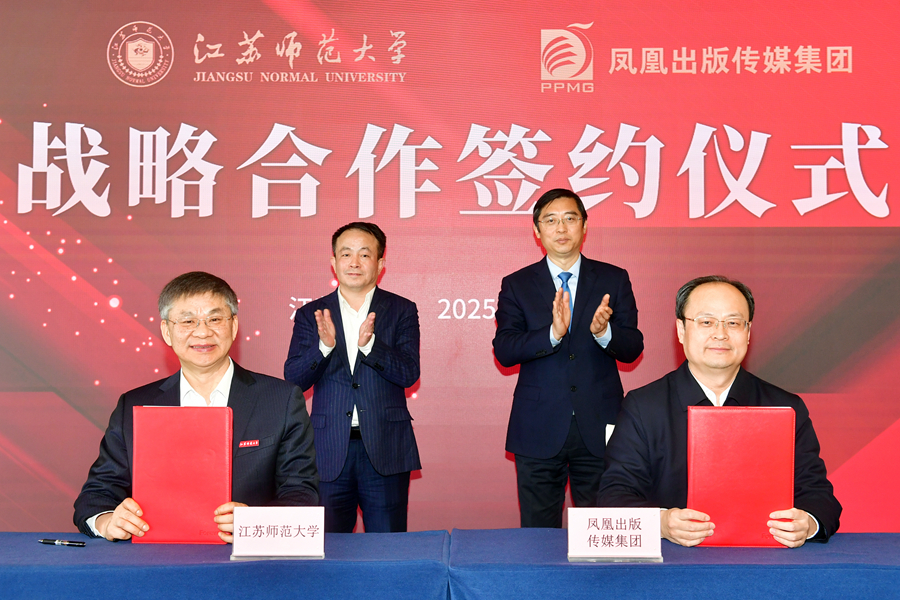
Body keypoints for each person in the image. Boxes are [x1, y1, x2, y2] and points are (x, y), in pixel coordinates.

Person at [73, 272, 319, 543]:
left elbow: (302, 494)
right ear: (167, 331)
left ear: (234, 326)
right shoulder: (133, 406)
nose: (202, 332)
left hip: (247, 560)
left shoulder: (281, 400)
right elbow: (96, 495)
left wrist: (253, 523)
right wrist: (107, 521)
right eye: (188, 321)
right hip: (156, 558)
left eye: (215, 319)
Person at [598, 275, 842, 547]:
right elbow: (614, 495)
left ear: (748, 332)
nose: (721, 334)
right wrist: (662, 523)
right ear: (681, 330)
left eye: (733, 323)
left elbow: (819, 496)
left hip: (766, 560)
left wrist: (807, 523)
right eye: (706, 322)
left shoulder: (785, 407)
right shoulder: (643, 407)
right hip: (674, 562)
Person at [493, 188, 644, 528]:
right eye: (550, 220)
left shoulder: (613, 278)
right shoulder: (516, 284)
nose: (561, 228)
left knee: (601, 531)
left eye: (570, 219)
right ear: (537, 231)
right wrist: (552, 333)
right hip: (538, 426)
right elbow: (505, 349)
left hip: (600, 423)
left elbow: (633, 346)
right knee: (538, 533)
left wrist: (604, 332)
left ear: (584, 226)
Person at [285, 222, 420, 533]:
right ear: (333, 262)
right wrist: (324, 347)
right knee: (329, 547)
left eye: (364, 254)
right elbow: (294, 379)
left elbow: (409, 373)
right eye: (346, 254)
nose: (354, 263)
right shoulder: (311, 314)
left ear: (380, 263)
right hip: (328, 450)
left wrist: (370, 347)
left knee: (387, 548)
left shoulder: (401, 309)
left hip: (385, 449)